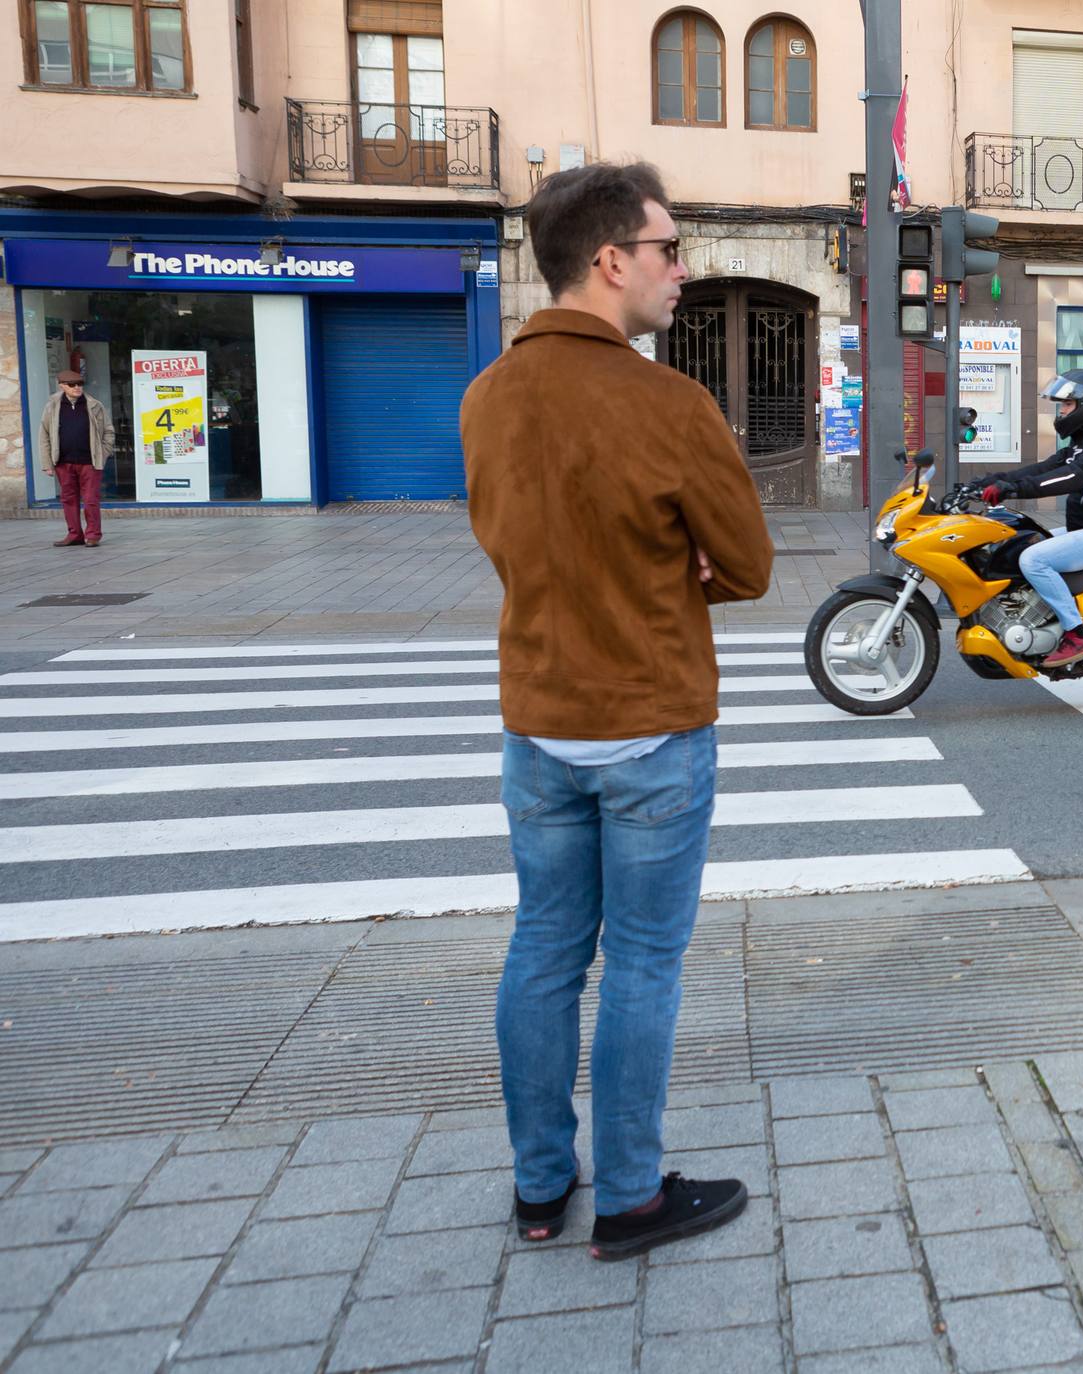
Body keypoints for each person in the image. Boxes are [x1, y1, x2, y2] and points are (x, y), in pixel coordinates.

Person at [461, 161, 773, 1261]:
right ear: (609, 262)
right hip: (648, 721)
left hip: (535, 721)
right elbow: (746, 562)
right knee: (641, 961)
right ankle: (632, 1195)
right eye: (669, 250)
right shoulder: (667, 403)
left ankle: (541, 1186)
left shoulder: (486, 395)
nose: (681, 272)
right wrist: (683, 558)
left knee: (544, 948)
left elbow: (501, 537)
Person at [976, 369, 1083, 667]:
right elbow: (1044, 468)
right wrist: (990, 480)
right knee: (1018, 542)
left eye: (1067, 405)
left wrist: (1013, 490)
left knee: (1033, 560)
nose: (1061, 410)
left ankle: (1077, 634)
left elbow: (1073, 477)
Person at [38, 370, 111, 548]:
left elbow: (108, 431)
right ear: (62, 386)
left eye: (80, 384)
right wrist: (47, 463)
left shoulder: (94, 405)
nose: (77, 387)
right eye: (72, 385)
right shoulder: (52, 406)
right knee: (68, 499)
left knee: (90, 499)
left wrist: (104, 451)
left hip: (90, 461)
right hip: (63, 462)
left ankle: (93, 535)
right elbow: (44, 435)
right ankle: (74, 534)